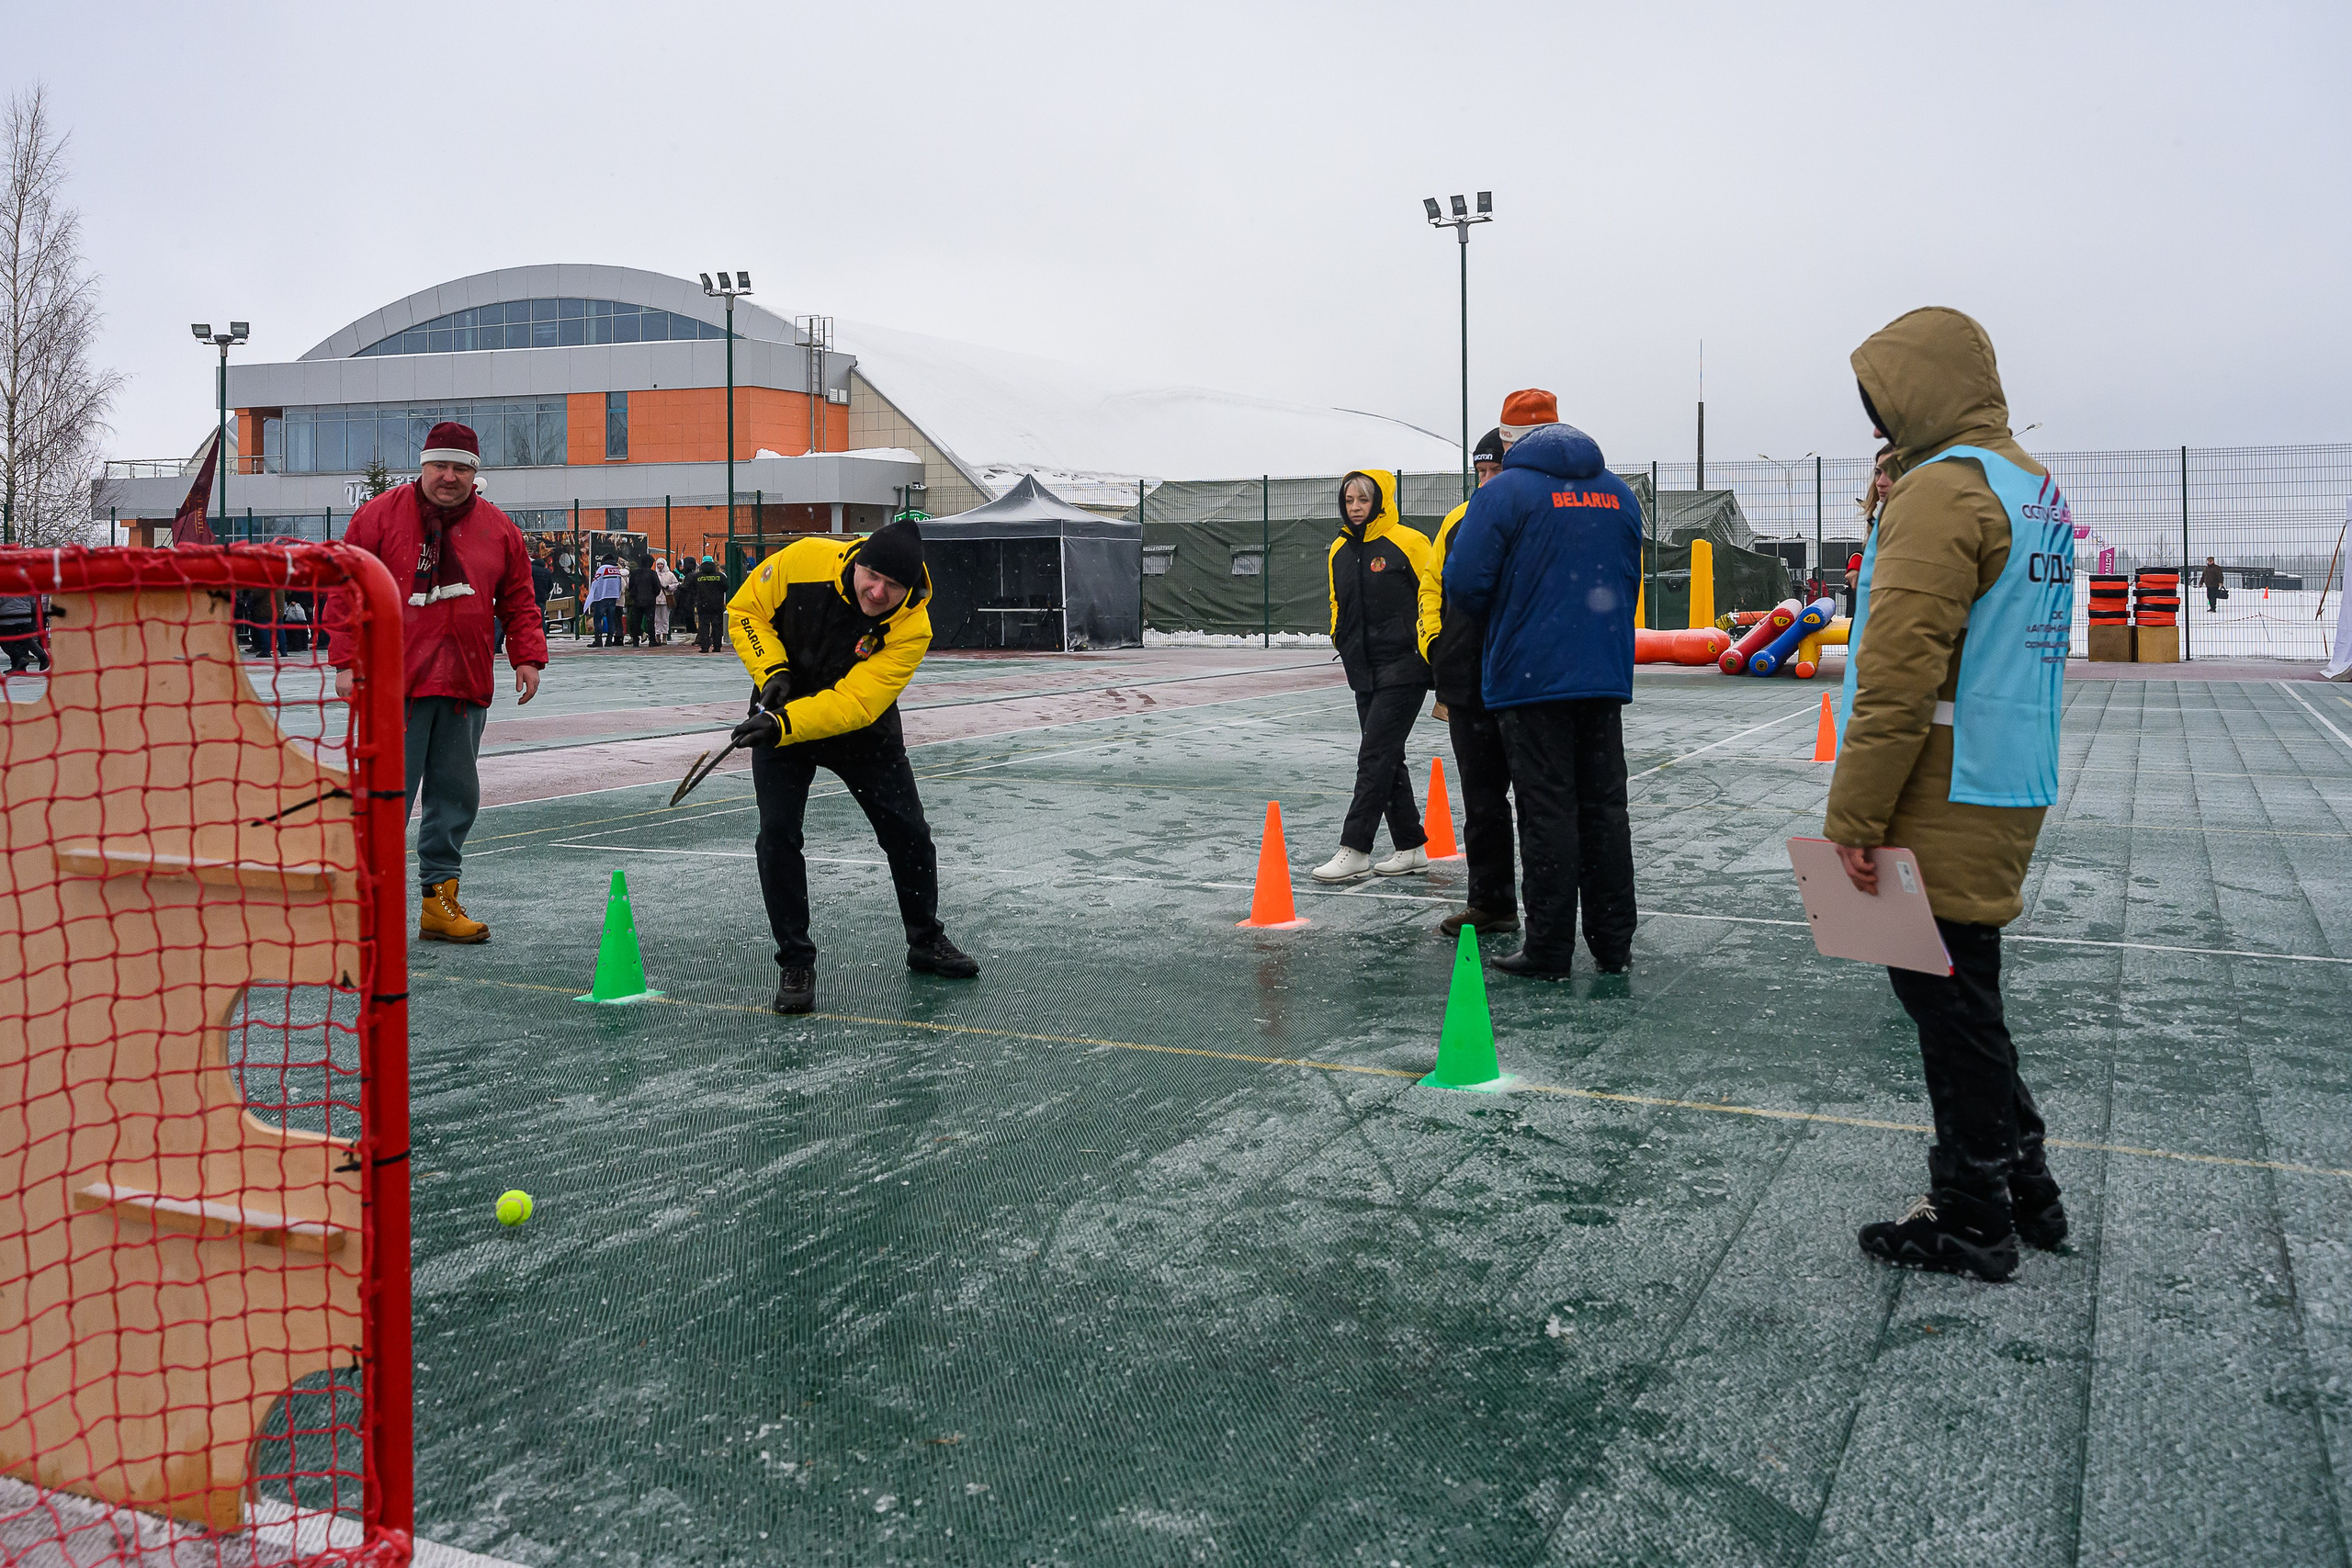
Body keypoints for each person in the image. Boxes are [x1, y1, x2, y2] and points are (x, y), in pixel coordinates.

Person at [1827, 306, 2072, 1284]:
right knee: (1965, 987)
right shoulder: (2027, 487)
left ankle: (1973, 1212)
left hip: (1939, 779)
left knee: (1944, 998)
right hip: (2006, 768)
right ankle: (2025, 1187)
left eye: (1881, 403)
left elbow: (1896, 674)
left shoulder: (1943, 495)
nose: (1877, 424)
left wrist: (1854, 816)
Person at [726, 517, 978, 1014]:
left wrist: (784, 724)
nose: (878, 592)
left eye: (894, 586)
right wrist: (771, 671)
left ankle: (925, 941)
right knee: (777, 836)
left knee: (908, 832)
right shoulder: (802, 559)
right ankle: (796, 962)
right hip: (781, 711)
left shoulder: (912, 628)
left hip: (858, 729)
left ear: (910, 589)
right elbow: (745, 612)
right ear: (857, 559)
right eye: (873, 576)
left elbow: (854, 703)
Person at [1443, 391, 1642, 978]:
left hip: (1531, 679)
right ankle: (1614, 945)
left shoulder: (1504, 493)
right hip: (1602, 676)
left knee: (1546, 810)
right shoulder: (1619, 492)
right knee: (1605, 808)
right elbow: (1628, 580)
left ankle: (1549, 948)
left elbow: (1465, 585)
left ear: (1508, 442)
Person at [325, 421, 546, 943]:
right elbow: (344, 590)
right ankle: (364, 905)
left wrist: (528, 656)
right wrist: (344, 662)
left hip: (464, 684)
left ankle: (438, 903)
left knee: (454, 796)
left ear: (475, 474)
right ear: (423, 465)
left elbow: (518, 598)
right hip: (391, 685)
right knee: (384, 797)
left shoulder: (500, 530)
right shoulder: (378, 517)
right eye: (440, 465)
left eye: (461, 468)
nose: (449, 477)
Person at [1418, 425, 1516, 936]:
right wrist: (1434, 644)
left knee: (1545, 800)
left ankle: (1551, 915)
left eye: (1495, 470)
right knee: (1482, 801)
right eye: (1480, 472)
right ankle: (1492, 904)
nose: (1487, 481)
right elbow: (1431, 585)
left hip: (1523, 680)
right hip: (1467, 683)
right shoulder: (1457, 520)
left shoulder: (1529, 514)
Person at [1311, 468, 1432, 883]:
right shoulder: (1339, 549)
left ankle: (1355, 848)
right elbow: (1336, 600)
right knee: (1387, 757)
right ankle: (1411, 846)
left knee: (1375, 755)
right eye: (1349, 501)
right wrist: (1339, 637)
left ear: (1380, 500)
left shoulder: (1410, 542)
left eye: (1363, 499)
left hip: (1406, 667)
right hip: (1362, 667)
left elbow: (1433, 596)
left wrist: (1427, 648)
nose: (1356, 508)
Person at [0, 592, 47, 673]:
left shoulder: (4, 585)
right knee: (26, 640)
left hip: (8, 619)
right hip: (25, 617)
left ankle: (19, 659)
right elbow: (33, 602)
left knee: (6, 642)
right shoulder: (24, 585)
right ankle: (43, 657)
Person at [586, 556, 625, 647]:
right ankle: (609, 640)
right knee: (611, 619)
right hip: (613, 598)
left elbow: (595, 582)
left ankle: (598, 641)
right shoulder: (616, 570)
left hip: (602, 598)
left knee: (597, 619)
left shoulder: (602, 569)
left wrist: (593, 597)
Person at [695, 558, 729, 652]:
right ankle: (717, 646)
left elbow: (693, 588)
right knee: (717, 625)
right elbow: (726, 587)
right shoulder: (720, 576)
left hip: (702, 604)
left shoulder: (698, 576)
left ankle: (705, 647)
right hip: (717, 604)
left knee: (704, 625)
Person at [626, 553, 660, 647]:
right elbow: (657, 588)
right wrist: (653, 595)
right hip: (650, 600)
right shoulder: (652, 573)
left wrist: (635, 596)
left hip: (637, 601)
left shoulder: (635, 573)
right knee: (650, 621)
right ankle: (652, 640)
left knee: (637, 621)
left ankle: (636, 640)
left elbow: (630, 586)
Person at [653, 555, 680, 643]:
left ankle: (664, 636)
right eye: (658, 564)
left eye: (661, 564)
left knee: (665, 619)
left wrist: (668, 587)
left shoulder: (670, 574)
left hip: (666, 598)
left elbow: (676, 585)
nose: (660, 566)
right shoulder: (654, 574)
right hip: (656, 599)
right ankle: (657, 636)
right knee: (656, 619)